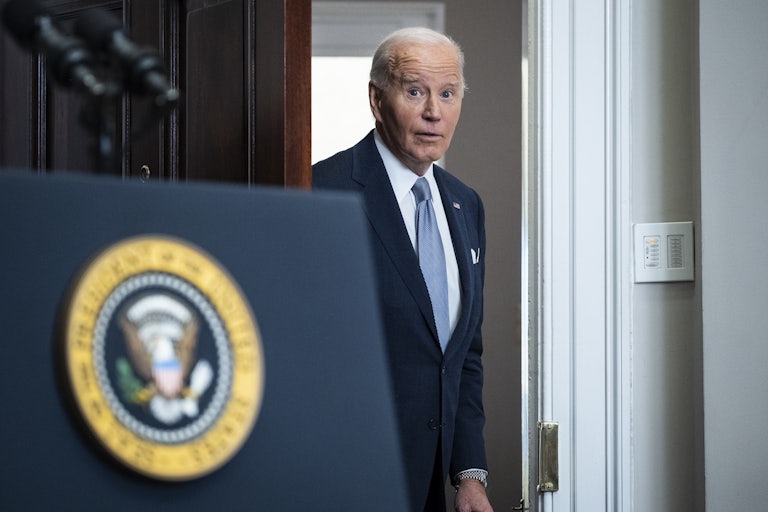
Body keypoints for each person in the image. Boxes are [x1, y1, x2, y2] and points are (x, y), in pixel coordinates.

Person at [312, 27, 493, 512]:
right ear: (376, 99)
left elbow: (463, 356)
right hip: (346, 481)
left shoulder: (465, 204)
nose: (434, 112)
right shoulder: (319, 192)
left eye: (448, 93)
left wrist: (469, 474)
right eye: (415, 91)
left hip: (436, 488)